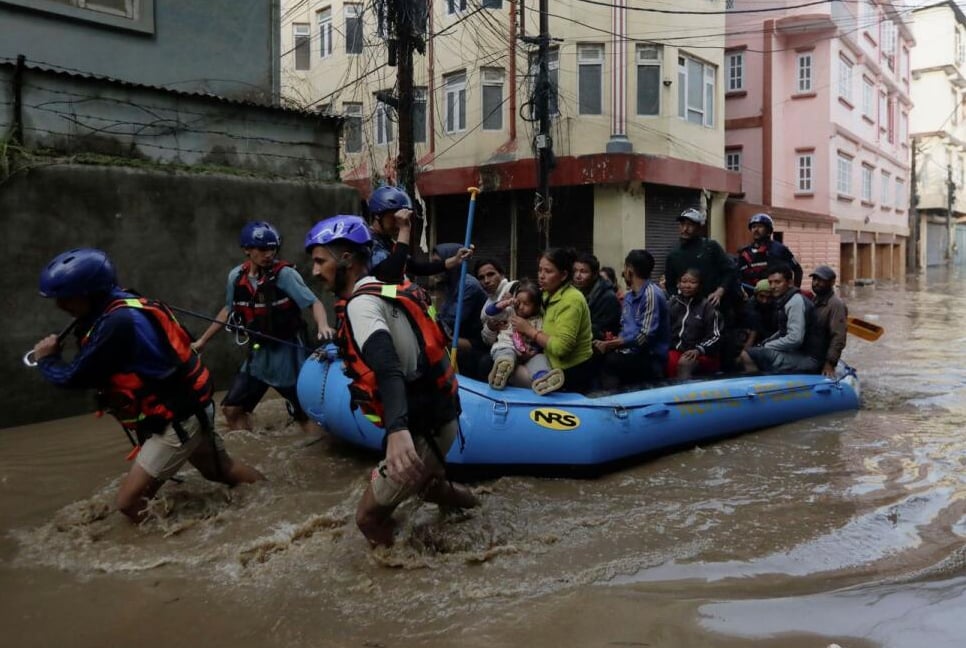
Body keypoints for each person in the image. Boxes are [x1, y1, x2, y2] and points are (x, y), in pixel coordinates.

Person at [31, 248, 264, 522]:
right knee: (220, 471)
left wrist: (47, 360)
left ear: (90, 293)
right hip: (189, 408)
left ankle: (185, 549)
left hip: (178, 419)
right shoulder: (124, 304)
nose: (61, 307)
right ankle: (271, 498)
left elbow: (73, 377)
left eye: (66, 299)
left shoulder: (116, 324)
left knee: (129, 503)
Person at [304, 215, 479, 548]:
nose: (314, 270)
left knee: (367, 518)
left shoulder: (361, 306)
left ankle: (404, 580)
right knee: (432, 488)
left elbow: (387, 366)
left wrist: (397, 430)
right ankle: (476, 510)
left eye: (319, 260)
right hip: (439, 414)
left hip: (421, 426)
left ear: (346, 259)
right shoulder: (379, 285)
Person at [192, 221, 330, 434]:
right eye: (263, 249)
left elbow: (314, 303)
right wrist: (202, 341)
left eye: (272, 248)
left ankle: (312, 448)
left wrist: (323, 325)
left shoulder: (285, 275)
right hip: (258, 357)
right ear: (247, 249)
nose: (269, 254)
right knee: (231, 409)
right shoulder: (236, 277)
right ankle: (253, 444)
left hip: (288, 357)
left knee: (307, 416)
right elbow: (228, 310)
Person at [510, 248, 595, 393]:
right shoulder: (546, 295)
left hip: (569, 372)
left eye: (548, 272)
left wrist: (529, 331)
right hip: (546, 359)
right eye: (540, 270)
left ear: (563, 275)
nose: (541, 276)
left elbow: (561, 348)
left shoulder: (572, 300)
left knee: (509, 373)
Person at [593, 249, 670, 388]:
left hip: (650, 358)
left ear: (629, 270)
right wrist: (612, 340)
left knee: (609, 361)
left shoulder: (651, 294)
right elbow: (626, 329)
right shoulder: (629, 297)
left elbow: (645, 336)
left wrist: (614, 344)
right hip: (628, 352)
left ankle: (611, 402)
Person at [366, 185, 471, 284]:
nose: (399, 222)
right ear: (377, 215)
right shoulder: (368, 241)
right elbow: (392, 273)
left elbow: (417, 268)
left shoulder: (387, 241)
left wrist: (455, 260)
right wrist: (404, 229)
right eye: (394, 217)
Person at [739, 265, 824, 374]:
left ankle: (758, 386)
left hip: (808, 359)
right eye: (770, 282)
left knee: (746, 354)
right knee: (758, 350)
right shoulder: (786, 300)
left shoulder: (795, 302)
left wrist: (767, 346)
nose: (773, 286)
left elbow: (795, 339)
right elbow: (783, 331)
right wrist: (766, 342)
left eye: (778, 282)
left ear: (790, 283)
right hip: (800, 353)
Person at [485, 281, 565, 394]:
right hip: (507, 346)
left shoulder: (538, 320)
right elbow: (489, 311)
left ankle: (543, 380)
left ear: (536, 306)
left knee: (540, 359)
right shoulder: (509, 312)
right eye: (518, 302)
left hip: (528, 352)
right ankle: (501, 372)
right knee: (506, 356)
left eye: (526, 304)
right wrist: (505, 303)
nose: (521, 307)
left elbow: (540, 338)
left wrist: (534, 351)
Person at [432, 242, 488, 377]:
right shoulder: (450, 284)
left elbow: (450, 320)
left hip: (476, 342)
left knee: (436, 341)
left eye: (437, 263)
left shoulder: (468, 285)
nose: (434, 268)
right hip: (458, 335)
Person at [665, 208, 738, 310]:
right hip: (688, 310)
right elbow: (670, 284)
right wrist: (678, 301)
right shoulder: (673, 254)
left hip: (715, 305)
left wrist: (719, 292)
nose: (685, 229)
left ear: (699, 228)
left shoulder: (711, 247)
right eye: (682, 224)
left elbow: (730, 271)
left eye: (690, 225)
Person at [666, 268, 723, 379]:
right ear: (678, 284)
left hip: (702, 354)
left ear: (700, 285)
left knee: (684, 363)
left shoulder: (707, 306)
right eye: (684, 281)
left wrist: (699, 350)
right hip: (676, 350)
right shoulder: (672, 304)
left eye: (692, 282)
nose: (687, 286)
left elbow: (716, 336)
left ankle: (684, 395)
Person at [736, 213, 803, 291]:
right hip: (754, 296)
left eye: (760, 226)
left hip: (776, 295)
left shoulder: (779, 249)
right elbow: (738, 276)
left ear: (768, 230)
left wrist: (795, 290)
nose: (756, 230)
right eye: (754, 227)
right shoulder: (745, 252)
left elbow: (798, 270)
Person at [809, 265, 848, 378]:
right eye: (814, 279)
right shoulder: (815, 300)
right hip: (811, 352)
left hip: (820, 358)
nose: (816, 283)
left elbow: (838, 336)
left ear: (831, 282)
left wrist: (829, 363)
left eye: (821, 280)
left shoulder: (836, 305)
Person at [573, 252, 621, 343]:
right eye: (575, 271)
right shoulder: (576, 291)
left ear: (595, 274)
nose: (577, 276)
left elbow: (601, 331)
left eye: (583, 272)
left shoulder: (608, 297)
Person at [738, 278, 778, 356]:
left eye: (768, 297)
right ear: (756, 295)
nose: (765, 301)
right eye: (761, 296)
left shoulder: (776, 307)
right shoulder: (749, 309)